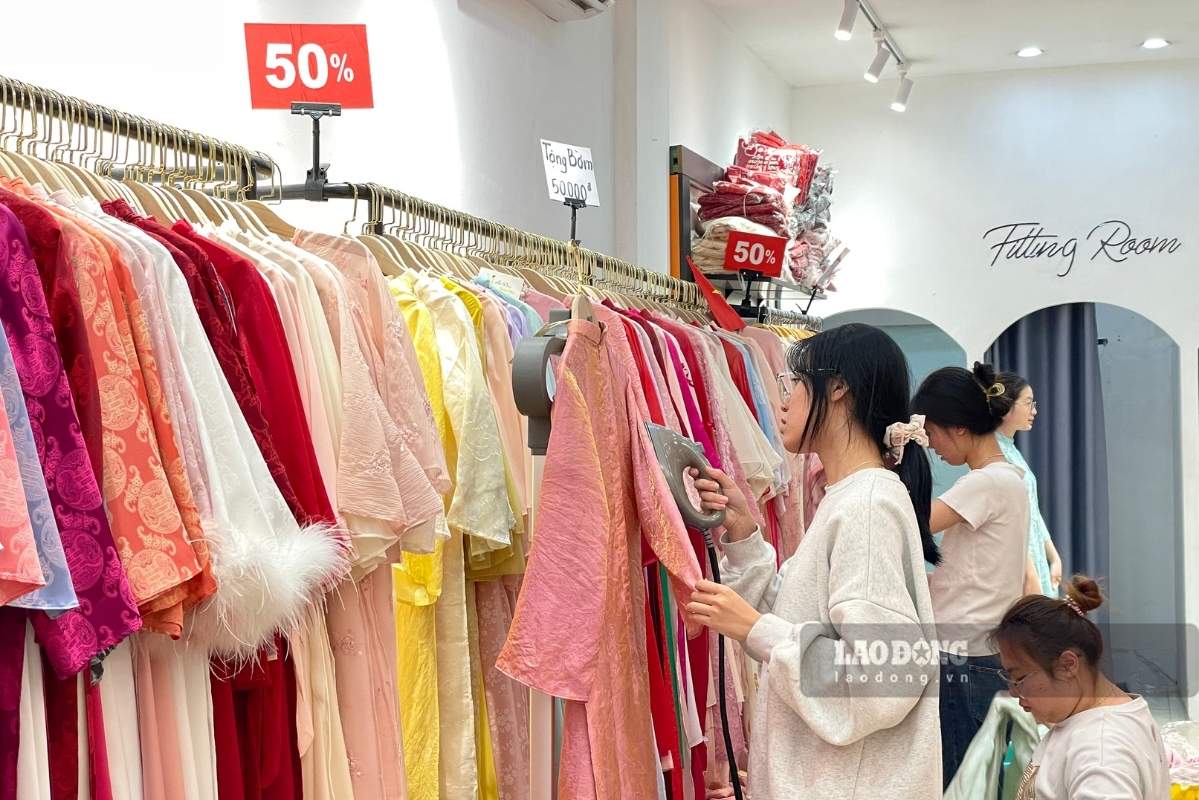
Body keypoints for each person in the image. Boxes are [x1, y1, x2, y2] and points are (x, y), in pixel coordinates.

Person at [685, 323, 942, 799]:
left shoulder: (865, 506)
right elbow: (809, 618)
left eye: (793, 384)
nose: (782, 403)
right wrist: (743, 534)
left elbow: (883, 676)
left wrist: (753, 629)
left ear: (838, 387)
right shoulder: (852, 497)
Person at [911, 362, 1033, 788]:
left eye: (932, 435)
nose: (932, 447)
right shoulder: (1009, 479)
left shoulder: (986, 484)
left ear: (959, 428)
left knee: (959, 777)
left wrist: (893, 457)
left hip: (966, 652)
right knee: (978, 774)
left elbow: (910, 523)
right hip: (984, 649)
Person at [993, 577, 1171, 799]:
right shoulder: (1093, 721)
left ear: (1067, 665)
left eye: (1019, 678)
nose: (1014, 691)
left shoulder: (1101, 752)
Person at [996, 372, 1063, 596]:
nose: (1033, 411)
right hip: (1022, 563)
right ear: (1006, 406)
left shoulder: (1011, 449)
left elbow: (1031, 510)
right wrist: (1030, 573)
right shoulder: (996, 454)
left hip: (1034, 555)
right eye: (1027, 403)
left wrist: (1053, 556)